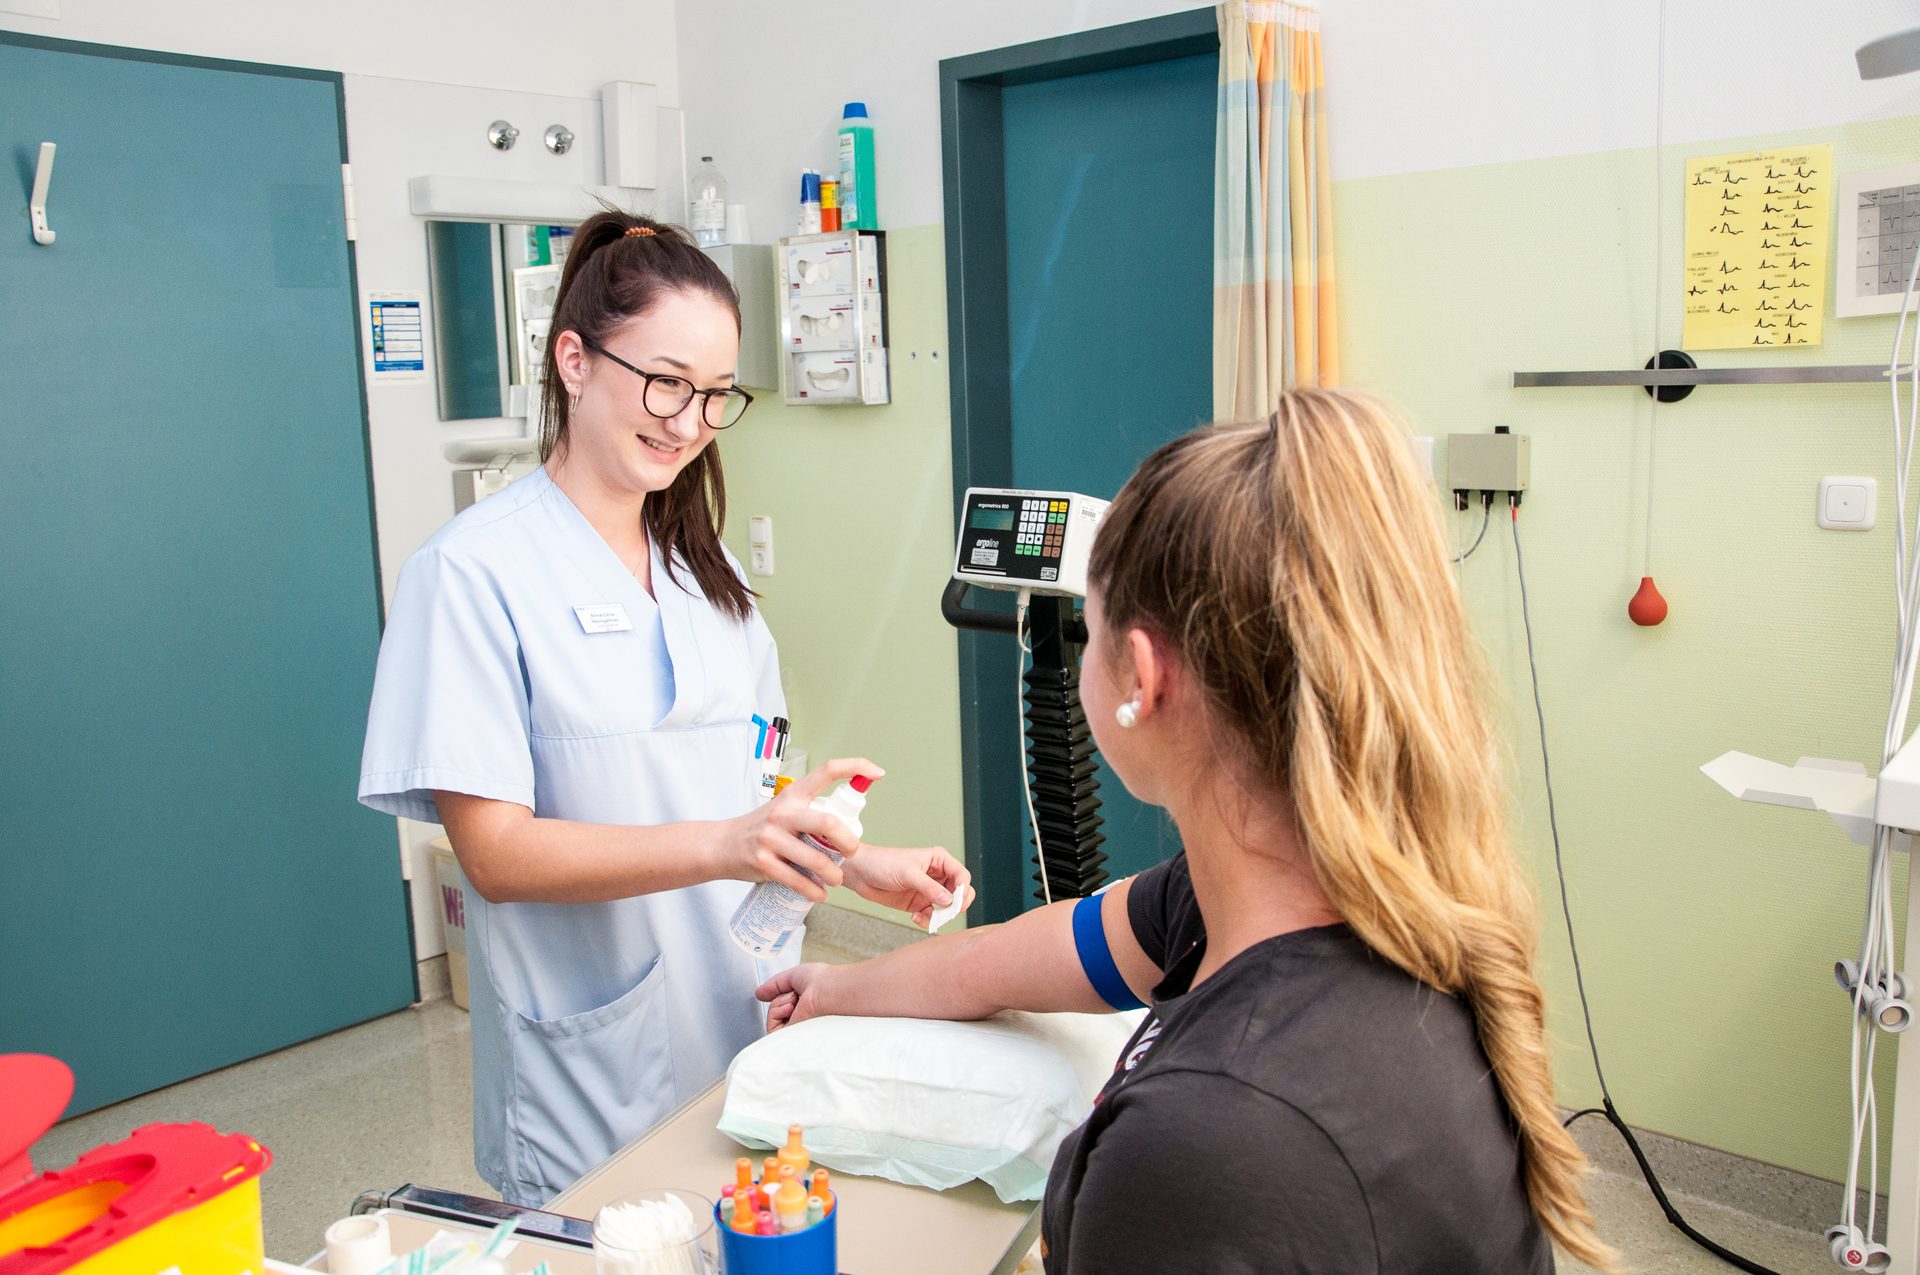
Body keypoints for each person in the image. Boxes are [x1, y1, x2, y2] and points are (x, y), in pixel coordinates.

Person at [757, 390, 1615, 1273]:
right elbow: (1015, 955)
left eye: (1089, 632)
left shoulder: (1202, 1144)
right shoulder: (1277, 893)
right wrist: (838, 986)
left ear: (1142, 673)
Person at [358, 211, 969, 1208]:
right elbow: (496, 858)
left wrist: (862, 864)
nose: (687, 421)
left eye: (716, 395)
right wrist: (728, 845)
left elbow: (755, 786)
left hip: (745, 1018)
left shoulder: (704, 572)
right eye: (665, 382)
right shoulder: (472, 575)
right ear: (574, 359)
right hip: (591, 1061)